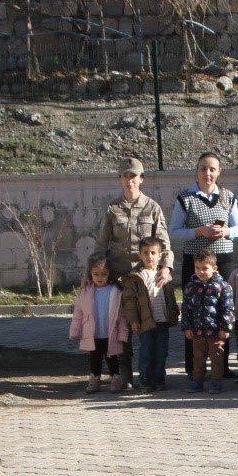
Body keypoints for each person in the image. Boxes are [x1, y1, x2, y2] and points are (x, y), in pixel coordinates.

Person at [97, 157, 172, 390]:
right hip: (120, 278)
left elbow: (164, 243)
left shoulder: (153, 208)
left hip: (144, 280)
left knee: (148, 328)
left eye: (134, 176)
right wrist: (92, 275)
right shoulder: (112, 209)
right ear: (120, 179)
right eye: (125, 176)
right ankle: (124, 375)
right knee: (122, 329)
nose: (130, 181)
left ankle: (151, 376)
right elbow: (101, 246)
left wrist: (166, 269)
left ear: (142, 179)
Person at [171, 152, 238, 374]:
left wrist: (226, 231)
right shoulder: (185, 198)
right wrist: (198, 231)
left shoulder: (228, 197)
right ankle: (195, 366)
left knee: (222, 311)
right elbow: (174, 232)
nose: (208, 173)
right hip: (196, 263)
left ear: (219, 172)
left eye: (212, 169)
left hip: (223, 261)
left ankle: (221, 367)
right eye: (203, 168)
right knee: (195, 312)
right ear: (197, 171)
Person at [122, 236, 179, 392]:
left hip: (162, 321)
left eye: (153, 253)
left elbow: (171, 298)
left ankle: (159, 380)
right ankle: (145, 381)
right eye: (145, 253)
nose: (149, 256)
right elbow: (129, 302)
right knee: (146, 352)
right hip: (145, 322)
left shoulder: (164, 275)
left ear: (160, 255)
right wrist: (133, 320)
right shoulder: (136, 277)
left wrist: (173, 314)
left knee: (161, 352)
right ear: (140, 255)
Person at [69, 257, 127, 394]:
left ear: (109, 274)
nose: (99, 277)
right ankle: (94, 379)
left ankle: (115, 378)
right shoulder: (86, 291)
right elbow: (78, 313)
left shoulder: (115, 291)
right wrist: (74, 331)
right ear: (90, 274)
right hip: (93, 333)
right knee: (94, 358)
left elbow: (122, 316)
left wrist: (123, 333)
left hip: (110, 333)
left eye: (103, 274)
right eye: (96, 274)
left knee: (111, 357)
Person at [182, 251, 235, 393]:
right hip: (198, 330)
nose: (201, 272)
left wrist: (225, 327)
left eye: (205, 268)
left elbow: (227, 308)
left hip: (216, 331)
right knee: (198, 358)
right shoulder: (190, 286)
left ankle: (216, 382)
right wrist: (187, 326)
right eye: (197, 268)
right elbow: (186, 308)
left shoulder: (222, 286)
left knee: (216, 356)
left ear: (214, 268)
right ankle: (197, 381)